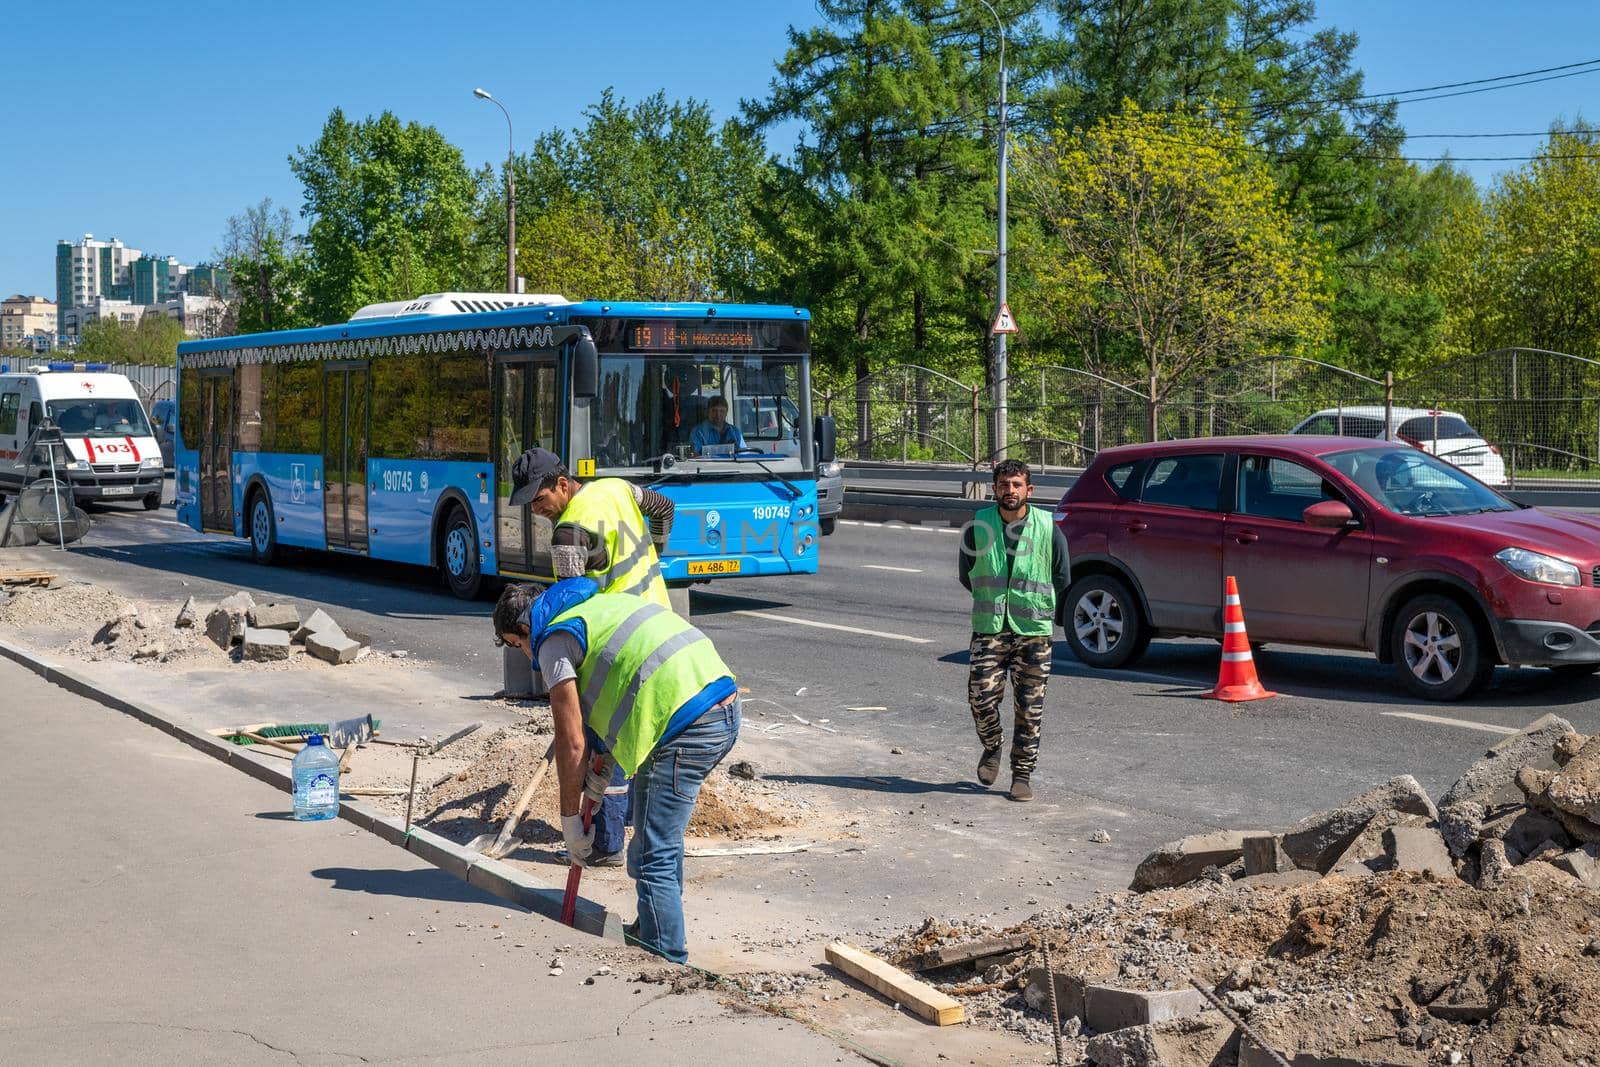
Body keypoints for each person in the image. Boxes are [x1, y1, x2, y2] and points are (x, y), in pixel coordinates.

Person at [493, 579, 740, 964]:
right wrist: (604, 765)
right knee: (657, 844)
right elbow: (624, 684)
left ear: (525, 628)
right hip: (719, 707)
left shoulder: (553, 640)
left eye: (516, 644)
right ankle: (651, 930)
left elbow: (571, 740)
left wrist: (570, 820)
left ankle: (665, 959)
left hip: (687, 724)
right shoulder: (596, 608)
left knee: (652, 853)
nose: (526, 655)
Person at [957, 459, 1071, 802]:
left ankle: (1021, 774)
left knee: (1030, 708)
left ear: (1029, 490)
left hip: (1033, 631)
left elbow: (1062, 576)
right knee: (980, 697)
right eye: (1004, 485)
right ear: (995, 489)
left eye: (1017, 485)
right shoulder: (978, 526)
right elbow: (968, 575)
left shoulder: (1048, 527)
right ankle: (992, 746)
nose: (1011, 491)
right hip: (990, 629)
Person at [508, 448, 673, 609]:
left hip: (619, 630)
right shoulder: (619, 488)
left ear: (562, 484)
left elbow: (571, 606)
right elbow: (665, 507)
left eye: (539, 499)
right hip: (659, 618)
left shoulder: (567, 534)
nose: (535, 510)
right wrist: (656, 551)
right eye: (530, 503)